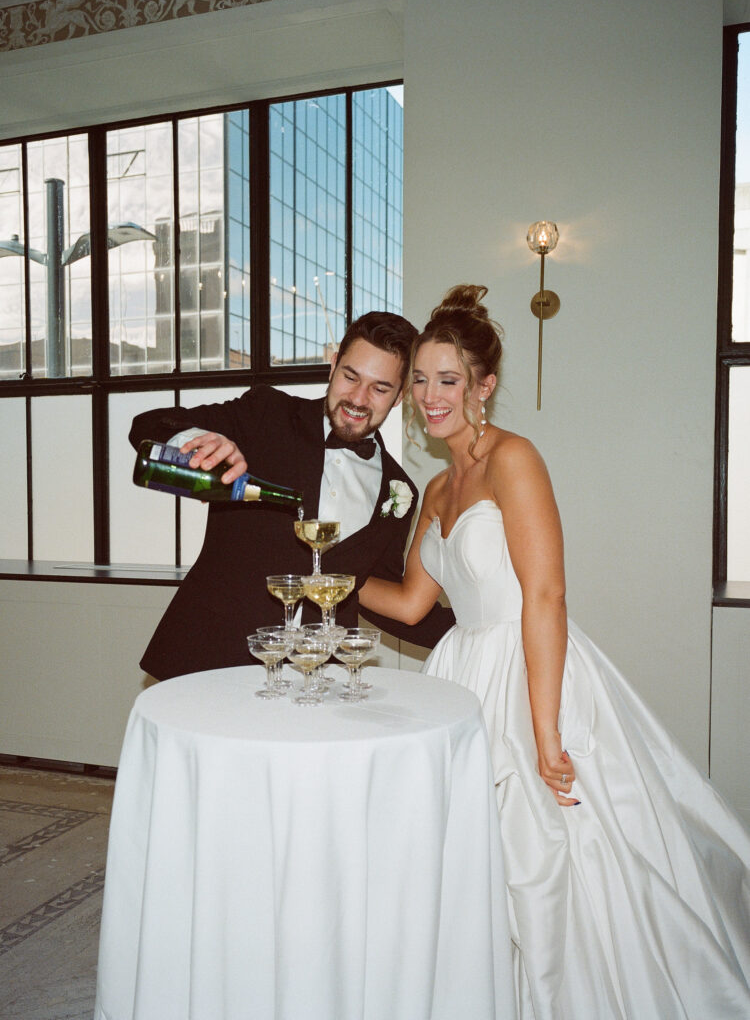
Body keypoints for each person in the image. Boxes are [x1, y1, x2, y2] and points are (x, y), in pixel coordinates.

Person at [358, 285, 750, 1020]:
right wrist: (329, 575)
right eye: (419, 379)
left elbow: (546, 597)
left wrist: (544, 733)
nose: (429, 395)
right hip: (460, 675)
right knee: (467, 858)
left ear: (485, 386)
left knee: (554, 856)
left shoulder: (515, 458)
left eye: (448, 379)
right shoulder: (437, 486)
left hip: (534, 673)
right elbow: (412, 603)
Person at [129, 311, 453, 681]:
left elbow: (373, 592)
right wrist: (198, 443)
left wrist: (479, 634)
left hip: (316, 683)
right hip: (208, 663)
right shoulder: (267, 415)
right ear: (333, 366)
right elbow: (148, 425)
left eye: (380, 388)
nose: (359, 399)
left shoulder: (400, 492)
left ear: (399, 397)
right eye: (350, 377)